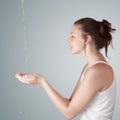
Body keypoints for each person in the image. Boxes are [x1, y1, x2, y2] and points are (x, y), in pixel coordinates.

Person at [15, 17, 116, 120]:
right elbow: (70, 104)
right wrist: (41, 81)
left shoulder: (98, 70)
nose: (68, 41)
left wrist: (42, 81)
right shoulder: (89, 67)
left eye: (72, 36)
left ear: (87, 39)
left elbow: (69, 113)